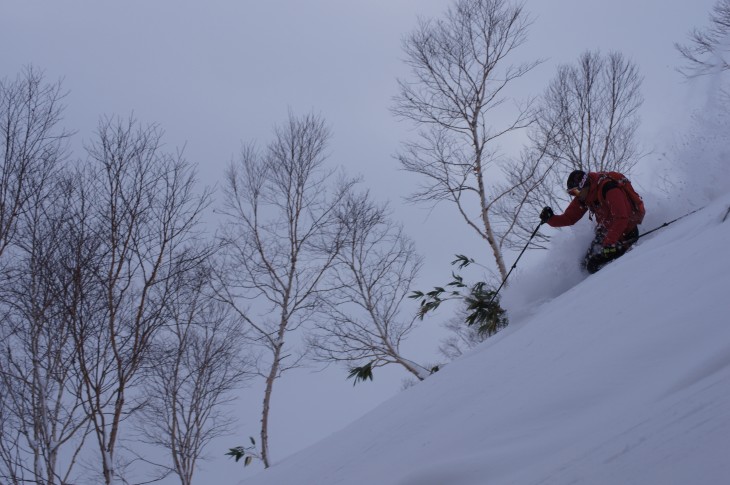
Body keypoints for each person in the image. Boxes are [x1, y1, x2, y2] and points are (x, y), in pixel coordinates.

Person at [540, 170, 644, 274]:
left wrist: (609, 242)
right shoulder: (586, 196)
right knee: (584, 264)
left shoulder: (609, 189)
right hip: (606, 236)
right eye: (572, 193)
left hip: (626, 235)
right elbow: (569, 218)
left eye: (575, 191)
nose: (575, 195)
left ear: (584, 184)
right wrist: (550, 219)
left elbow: (621, 218)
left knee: (593, 265)